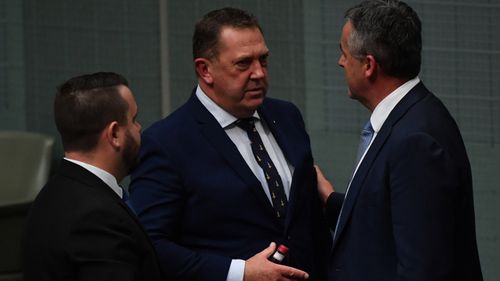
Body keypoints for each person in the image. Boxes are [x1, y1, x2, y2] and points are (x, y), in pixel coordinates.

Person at [128, 7, 330, 281]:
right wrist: (239, 273)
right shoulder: (166, 143)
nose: (259, 73)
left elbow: (306, 223)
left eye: (263, 60)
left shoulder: (287, 116)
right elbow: (151, 245)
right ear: (205, 70)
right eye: (243, 64)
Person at [316, 0, 484, 280]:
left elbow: (422, 268)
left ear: (369, 65)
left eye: (343, 53)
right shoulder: (414, 115)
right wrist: (332, 203)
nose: (340, 62)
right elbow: (396, 220)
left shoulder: (415, 141)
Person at [23, 72, 164, 281]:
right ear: (114, 134)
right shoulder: (98, 218)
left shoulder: (49, 194)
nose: (139, 128)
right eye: (134, 120)